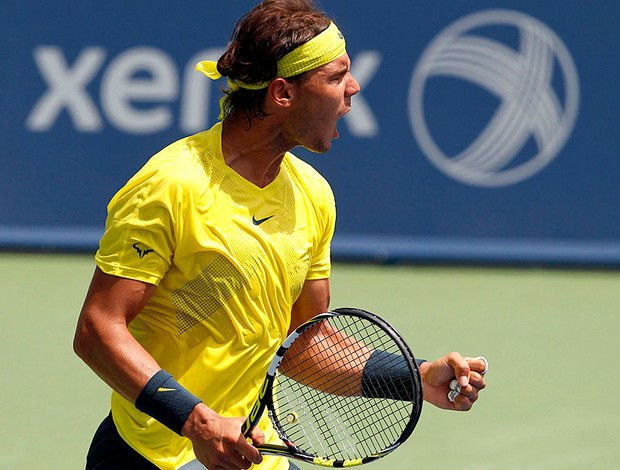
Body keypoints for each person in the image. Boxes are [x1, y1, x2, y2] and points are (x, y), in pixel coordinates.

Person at [73, 1, 488, 469]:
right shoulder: (171, 187)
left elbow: (305, 342)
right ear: (282, 94)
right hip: (154, 454)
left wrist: (415, 377)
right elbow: (97, 330)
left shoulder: (313, 194)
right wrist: (197, 420)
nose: (353, 89)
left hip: (252, 451)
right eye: (335, 77)